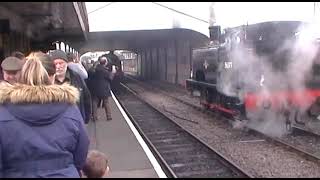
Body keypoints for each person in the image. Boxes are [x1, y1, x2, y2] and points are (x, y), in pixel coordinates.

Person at [0, 52, 90, 177]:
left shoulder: (3, 111)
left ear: (20, 76)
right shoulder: (70, 108)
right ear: (51, 77)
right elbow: (82, 149)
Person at [50, 50, 92, 124]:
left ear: (66, 63)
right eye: (55, 64)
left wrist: (86, 118)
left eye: (61, 63)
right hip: (56, 124)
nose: (58, 66)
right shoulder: (47, 81)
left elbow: (86, 97)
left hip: (76, 121)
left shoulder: (76, 77)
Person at [91, 56, 115, 121]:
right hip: (104, 89)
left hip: (95, 88)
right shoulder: (104, 70)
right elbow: (110, 78)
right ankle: (109, 116)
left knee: (95, 102)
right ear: (105, 63)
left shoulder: (95, 69)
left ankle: (94, 117)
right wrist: (113, 72)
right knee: (106, 102)